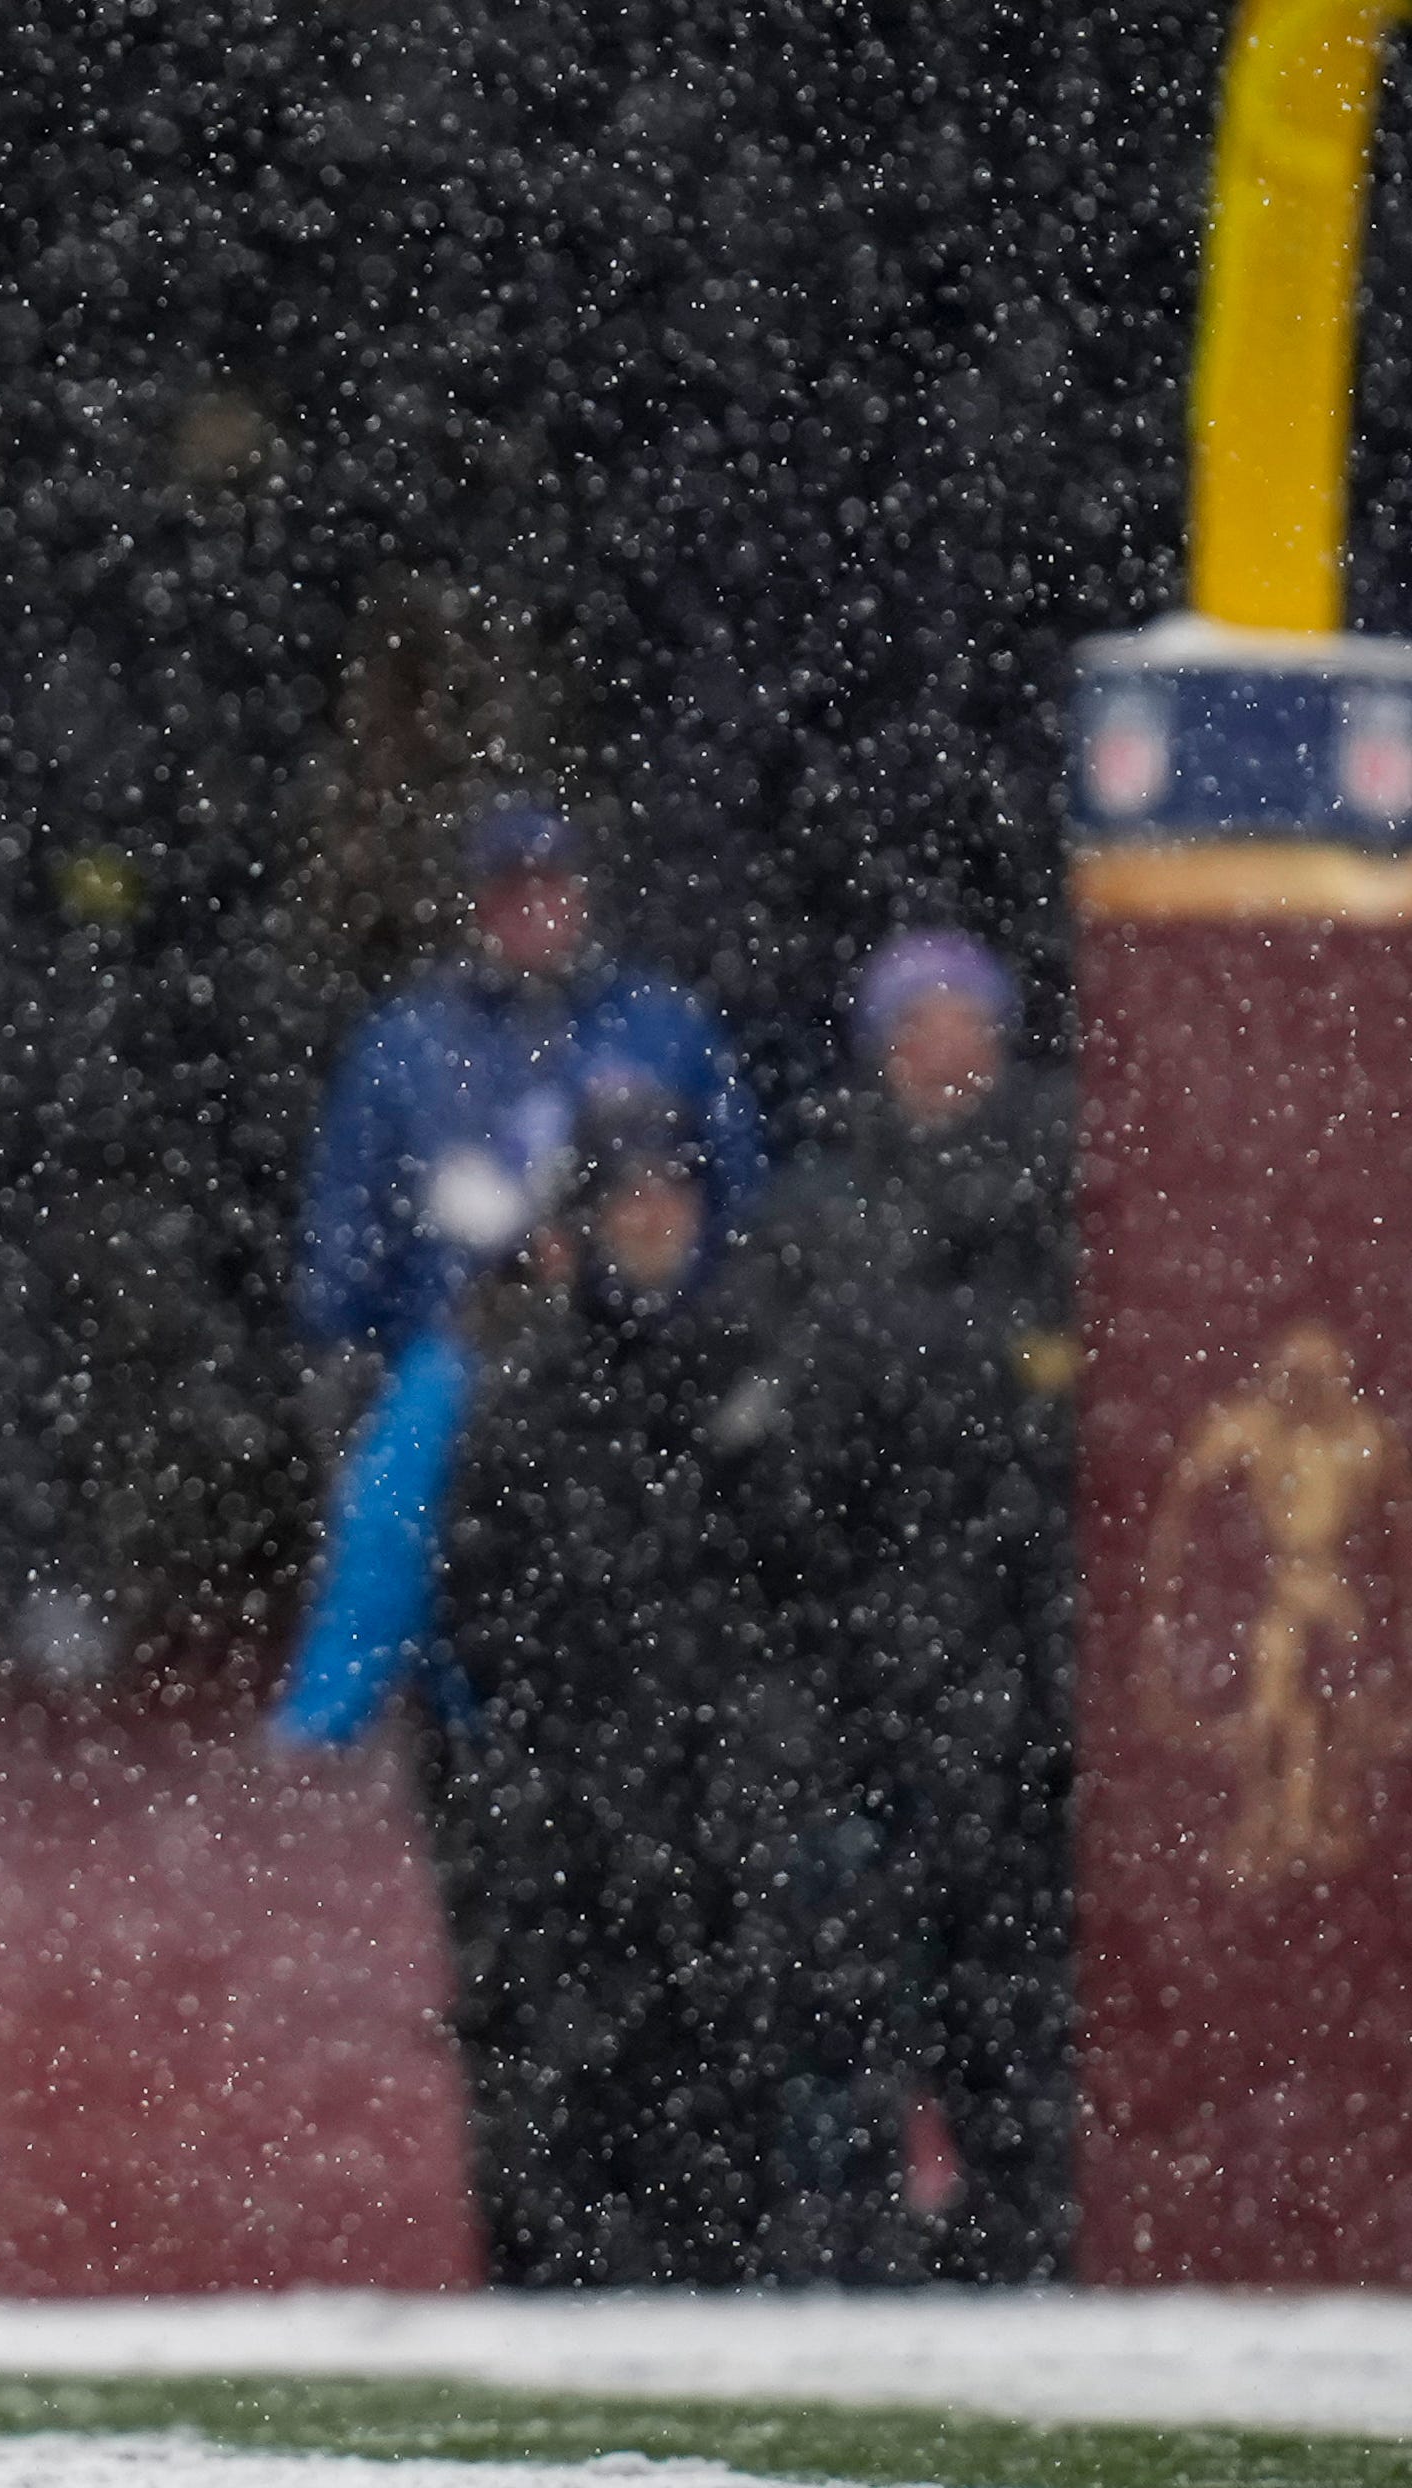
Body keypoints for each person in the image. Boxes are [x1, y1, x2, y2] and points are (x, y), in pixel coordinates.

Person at [728, 928, 1073, 2281]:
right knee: (857, 1981)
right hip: (866, 1650)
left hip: (1018, 1649)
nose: (947, 1041)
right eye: (920, 1018)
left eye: (965, 1015)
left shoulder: (1067, 1184)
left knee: (1011, 1981)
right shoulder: (818, 1204)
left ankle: (1022, 2240)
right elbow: (788, 1425)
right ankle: (859, 2252)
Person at [420, 1092, 791, 2287]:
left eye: (672, 1190)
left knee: (716, 2075)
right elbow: (479, 1597)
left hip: (709, 1788)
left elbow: (798, 1582)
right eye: (627, 1193)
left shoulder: (752, 1368)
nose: (652, 1216)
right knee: (562, 2078)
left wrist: (738, 1735)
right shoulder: (523, 1385)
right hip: (570, 1790)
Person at [296, 800, 764, 1366]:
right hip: (450, 1371)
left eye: (549, 887)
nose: (532, 911)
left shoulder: (661, 1025)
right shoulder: (405, 1047)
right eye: (510, 892)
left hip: (647, 1364)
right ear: (477, 907)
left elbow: (736, 1198)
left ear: (582, 895)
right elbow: (344, 1237)